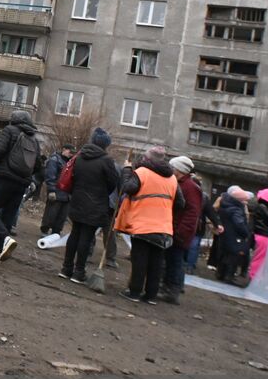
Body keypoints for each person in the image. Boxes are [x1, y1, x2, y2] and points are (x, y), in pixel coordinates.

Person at [114, 145, 179, 304]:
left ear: (147, 159)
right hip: (164, 226)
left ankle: (134, 292)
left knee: (140, 260)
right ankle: (151, 296)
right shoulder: (172, 178)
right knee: (156, 262)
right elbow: (181, 202)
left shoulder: (142, 173)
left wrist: (127, 171)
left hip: (143, 224)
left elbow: (126, 188)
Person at [59, 128, 120, 285]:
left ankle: (66, 268)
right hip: (96, 204)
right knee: (86, 237)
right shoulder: (106, 160)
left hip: (77, 200)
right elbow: (113, 183)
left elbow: (72, 177)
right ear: (106, 144)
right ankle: (79, 272)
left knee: (75, 233)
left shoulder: (79, 156)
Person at [0, 109, 43, 262]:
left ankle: (5, 239)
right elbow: (38, 164)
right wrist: (27, 177)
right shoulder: (34, 139)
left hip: (5, 178)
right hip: (22, 182)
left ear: (14, 120)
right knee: (8, 215)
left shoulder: (9, 130)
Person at [162, 155, 203, 304]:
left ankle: (173, 291)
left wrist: (180, 232)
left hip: (179, 232)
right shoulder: (180, 183)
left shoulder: (190, 187)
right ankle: (168, 287)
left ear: (179, 170)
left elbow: (192, 213)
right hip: (173, 229)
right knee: (171, 260)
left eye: (173, 167)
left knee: (175, 261)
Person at [213, 186, 251, 285]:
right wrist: (246, 232)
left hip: (226, 234)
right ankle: (229, 276)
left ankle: (220, 273)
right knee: (234, 256)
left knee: (225, 254)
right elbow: (239, 224)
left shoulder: (225, 204)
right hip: (235, 236)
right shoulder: (236, 209)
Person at [40, 144, 75, 237]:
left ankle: (55, 233)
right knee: (50, 214)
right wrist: (51, 190)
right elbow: (50, 175)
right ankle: (44, 231)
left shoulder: (70, 163)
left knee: (61, 217)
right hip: (56, 192)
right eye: (70, 151)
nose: (71, 154)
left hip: (66, 194)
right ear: (64, 149)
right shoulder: (55, 160)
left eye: (72, 153)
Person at [248, 188, 268, 279]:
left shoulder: (267, 207)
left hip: (264, 234)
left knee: (262, 257)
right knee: (260, 257)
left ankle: (256, 277)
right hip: (263, 235)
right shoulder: (263, 207)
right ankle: (254, 277)